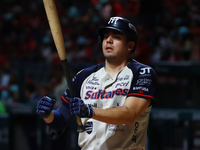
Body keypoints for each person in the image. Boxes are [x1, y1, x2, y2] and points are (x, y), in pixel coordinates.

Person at [36, 16, 157, 150]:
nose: (108, 40)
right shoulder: (83, 76)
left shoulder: (142, 73)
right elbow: (59, 123)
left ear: (130, 45)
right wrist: (48, 115)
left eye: (116, 37)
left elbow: (129, 114)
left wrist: (89, 111)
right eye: (106, 37)